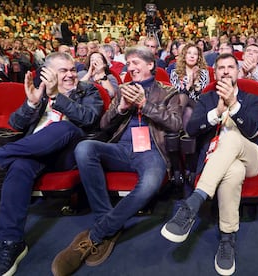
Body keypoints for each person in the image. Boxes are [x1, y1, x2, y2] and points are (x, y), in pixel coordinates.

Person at [51, 45, 187, 276]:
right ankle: (109, 224)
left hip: (152, 152)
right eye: (129, 63)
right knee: (84, 148)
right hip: (122, 148)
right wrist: (121, 108)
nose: (130, 67)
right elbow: (104, 124)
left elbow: (176, 124)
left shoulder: (169, 92)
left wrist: (146, 105)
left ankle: (97, 233)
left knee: (150, 184)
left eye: (135, 63)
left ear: (150, 65)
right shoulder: (122, 90)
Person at [0, 52, 104, 276]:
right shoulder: (39, 92)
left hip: (67, 155)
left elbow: (89, 118)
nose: (71, 74)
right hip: (34, 153)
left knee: (65, 127)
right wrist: (31, 104)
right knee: (20, 166)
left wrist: (57, 97)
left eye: (72, 69)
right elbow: (15, 123)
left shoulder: (87, 90)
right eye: (64, 71)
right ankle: (11, 243)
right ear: (49, 72)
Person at [161, 53, 258, 276]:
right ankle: (227, 239)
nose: (226, 71)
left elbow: (253, 130)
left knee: (231, 140)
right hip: (219, 161)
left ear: (238, 72)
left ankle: (194, 202)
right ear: (215, 72)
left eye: (231, 67)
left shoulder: (253, 98)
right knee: (233, 171)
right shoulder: (207, 99)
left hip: (252, 158)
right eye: (221, 68)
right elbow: (191, 130)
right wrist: (217, 112)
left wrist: (234, 105)